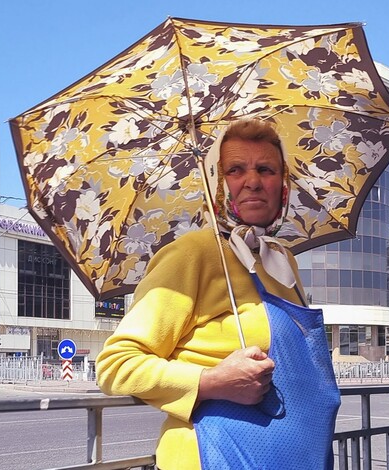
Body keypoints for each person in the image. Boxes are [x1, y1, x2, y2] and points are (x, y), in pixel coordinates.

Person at [96, 118, 340, 469]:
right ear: (215, 182)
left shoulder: (281, 260)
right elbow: (116, 365)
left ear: (283, 183)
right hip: (213, 456)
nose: (253, 181)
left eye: (266, 169)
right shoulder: (193, 253)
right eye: (235, 170)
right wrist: (211, 382)